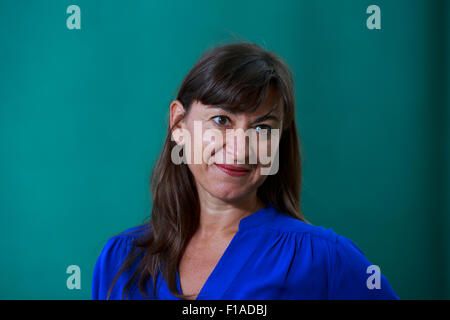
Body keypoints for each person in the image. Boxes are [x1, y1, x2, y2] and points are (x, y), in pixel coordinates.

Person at [92, 41, 399, 300]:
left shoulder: (324, 259)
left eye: (263, 127)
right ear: (178, 125)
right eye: (222, 120)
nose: (240, 149)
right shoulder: (121, 259)